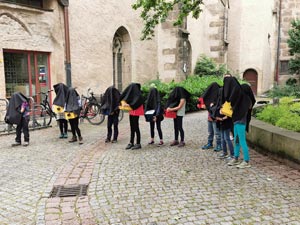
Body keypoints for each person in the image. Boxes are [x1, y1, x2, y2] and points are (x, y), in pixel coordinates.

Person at [223, 76, 256, 168]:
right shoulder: (240, 100)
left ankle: (246, 161)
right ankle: (236, 158)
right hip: (236, 122)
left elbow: (246, 108)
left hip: (241, 122)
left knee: (242, 141)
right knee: (236, 141)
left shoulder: (246, 101)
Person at [120, 83, 144, 150]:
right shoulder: (133, 94)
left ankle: (138, 143)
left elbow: (136, 102)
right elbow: (130, 100)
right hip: (132, 111)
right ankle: (131, 142)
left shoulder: (139, 95)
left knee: (136, 127)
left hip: (136, 111)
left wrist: (130, 105)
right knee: (132, 127)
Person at [200, 82, 222, 151]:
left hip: (216, 118)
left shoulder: (218, 97)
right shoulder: (210, 98)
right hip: (210, 117)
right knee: (210, 132)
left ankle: (219, 145)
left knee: (217, 132)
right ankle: (210, 143)